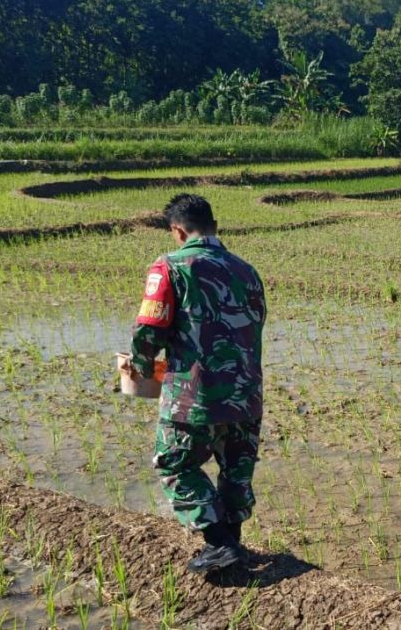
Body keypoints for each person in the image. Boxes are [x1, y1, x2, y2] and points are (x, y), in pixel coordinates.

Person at [123, 193, 267, 574]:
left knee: (173, 462)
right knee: (235, 468)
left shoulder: (169, 266)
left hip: (194, 395)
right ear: (215, 226)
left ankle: (220, 544)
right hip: (246, 394)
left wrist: (139, 365)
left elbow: (149, 330)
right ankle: (232, 541)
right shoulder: (247, 270)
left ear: (177, 231)